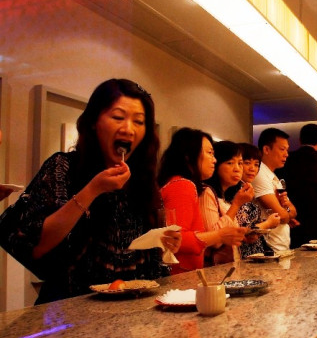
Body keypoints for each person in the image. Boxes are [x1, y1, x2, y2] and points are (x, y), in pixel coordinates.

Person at [0, 78, 181, 303]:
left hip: (134, 312)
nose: (128, 128)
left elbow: (147, 252)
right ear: (94, 121)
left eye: (139, 121)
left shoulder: (143, 181)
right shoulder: (63, 167)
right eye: (117, 117)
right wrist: (93, 190)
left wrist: (164, 242)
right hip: (69, 313)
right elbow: (35, 245)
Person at [158, 128, 247, 274]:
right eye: (210, 153)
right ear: (188, 156)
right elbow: (175, 239)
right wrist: (220, 235)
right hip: (180, 276)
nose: (214, 160)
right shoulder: (182, 185)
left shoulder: (180, 183)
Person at [199, 141, 256, 265]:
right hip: (213, 271)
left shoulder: (225, 197)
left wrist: (243, 236)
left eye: (240, 163)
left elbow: (227, 234)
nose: (237, 169)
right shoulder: (206, 193)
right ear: (216, 164)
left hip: (230, 266)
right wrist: (236, 204)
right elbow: (215, 240)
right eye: (230, 163)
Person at [230, 143, 281, 258]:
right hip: (242, 257)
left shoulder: (247, 189)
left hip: (255, 254)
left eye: (256, 164)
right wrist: (268, 223)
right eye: (247, 163)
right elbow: (242, 231)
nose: (252, 168)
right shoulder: (236, 193)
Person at [253, 128, 297, 251]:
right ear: (266, 149)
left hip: (280, 247)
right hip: (269, 247)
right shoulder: (259, 173)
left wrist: (287, 212)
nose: (286, 154)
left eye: (287, 150)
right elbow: (283, 216)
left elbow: (293, 211)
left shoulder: (273, 176)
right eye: (282, 149)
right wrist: (287, 214)